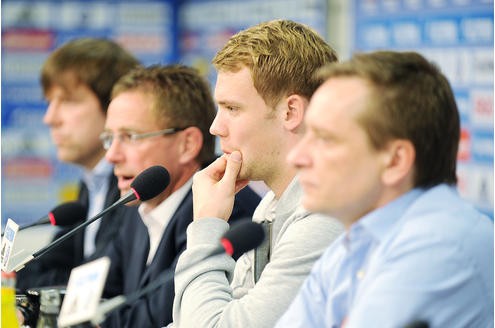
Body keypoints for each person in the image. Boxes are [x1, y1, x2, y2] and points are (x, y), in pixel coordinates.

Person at [276, 51, 494, 327]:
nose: (296, 158)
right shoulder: (356, 239)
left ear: (395, 161)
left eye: (325, 139)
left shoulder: (440, 244)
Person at [171, 19, 344, 327]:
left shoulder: (326, 218)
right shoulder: (271, 207)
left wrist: (207, 226)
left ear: (290, 112)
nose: (215, 127)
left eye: (232, 109)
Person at [99, 64, 260, 328]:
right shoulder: (138, 208)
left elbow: (155, 320)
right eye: (109, 138)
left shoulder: (227, 209)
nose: (112, 155)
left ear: (187, 145)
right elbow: (95, 292)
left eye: (130, 137)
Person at [16, 38, 140, 292]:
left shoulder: (134, 185)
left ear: (114, 106)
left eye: (68, 101)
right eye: (50, 101)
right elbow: (49, 264)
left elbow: (98, 283)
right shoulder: (93, 182)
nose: (50, 118)